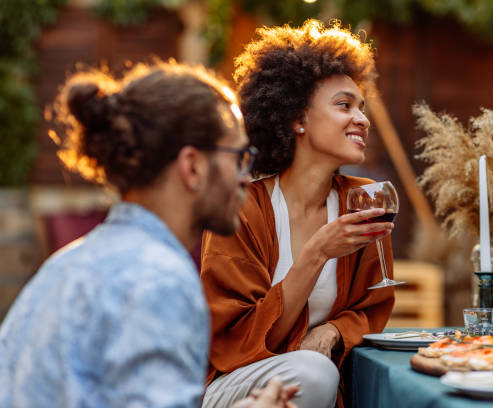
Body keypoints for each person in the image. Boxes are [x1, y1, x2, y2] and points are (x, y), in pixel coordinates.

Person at [0, 62, 295, 408]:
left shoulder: (63, 266)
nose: (247, 177)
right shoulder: (160, 281)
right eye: (240, 157)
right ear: (192, 167)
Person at [201, 20, 396, 408]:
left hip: (313, 384)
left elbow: (372, 307)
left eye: (362, 107)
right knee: (314, 371)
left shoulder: (364, 202)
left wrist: (331, 332)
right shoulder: (241, 208)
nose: (362, 119)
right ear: (297, 118)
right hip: (238, 383)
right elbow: (236, 343)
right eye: (344, 105)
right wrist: (316, 254)